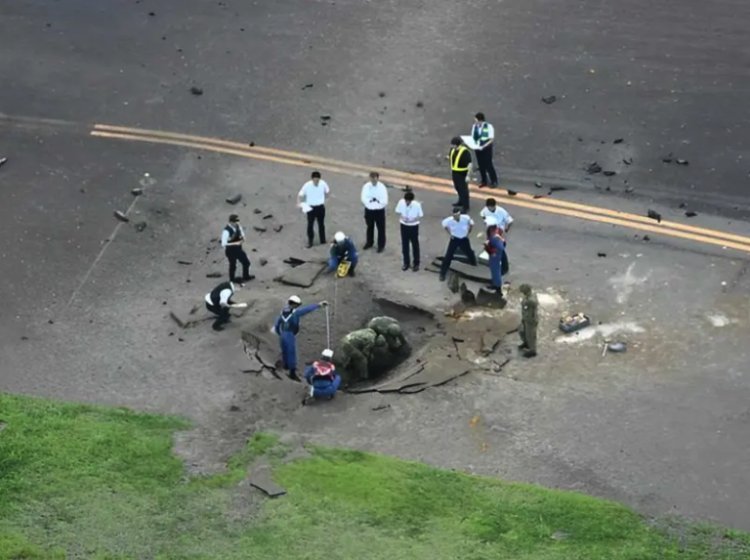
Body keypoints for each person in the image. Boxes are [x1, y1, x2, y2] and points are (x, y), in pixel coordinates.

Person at [274, 296, 328, 381]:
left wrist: (279, 333)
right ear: (294, 304)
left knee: (284, 351)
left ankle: (285, 367)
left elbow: (277, 325)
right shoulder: (295, 313)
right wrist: (318, 305)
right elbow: (306, 310)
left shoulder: (282, 313)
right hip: (290, 335)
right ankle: (292, 373)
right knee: (291, 353)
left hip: (283, 334)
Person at [439, 207, 477, 281]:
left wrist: (468, 232)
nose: (457, 217)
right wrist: (450, 234)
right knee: (449, 255)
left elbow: (471, 224)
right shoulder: (448, 220)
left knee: (468, 251)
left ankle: (473, 263)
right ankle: (442, 273)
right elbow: (445, 226)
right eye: (455, 216)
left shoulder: (466, 218)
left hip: (464, 238)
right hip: (455, 239)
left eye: (458, 215)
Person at [297, 170, 330, 248]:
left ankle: (323, 240)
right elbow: (300, 194)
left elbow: (328, 192)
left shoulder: (323, 183)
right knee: (310, 225)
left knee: (321, 224)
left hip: (320, 207)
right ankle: (310, 241)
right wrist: (299, 203)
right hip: (311, 207)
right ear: (312, 179)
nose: (316, 182)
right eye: (315, 180)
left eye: (318, 180)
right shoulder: (307, 185)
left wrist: (326, 201)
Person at [394, 189, 423, 272]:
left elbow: (420, 215)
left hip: (413, 226)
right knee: (405, 244)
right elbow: (397, 211)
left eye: (408, 201)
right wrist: (403, 217)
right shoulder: (401, 202)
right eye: (406, 201)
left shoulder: (417, 205)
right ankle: (406, 262)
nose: (407, 203)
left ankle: (416, 263)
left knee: (415, 245)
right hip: (404, 225)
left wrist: (412, 219)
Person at [221, 214, 254, 283]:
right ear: (231, 222)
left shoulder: (238, 227)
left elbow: (242, 235)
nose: (237, 222)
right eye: (235, 221)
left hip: (238, 249)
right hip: (230, 250)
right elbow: (223, 243)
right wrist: (235, 243)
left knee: (246, 262)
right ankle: (232, 280)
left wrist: (242, 239)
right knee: (233, 264)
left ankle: (246, 276)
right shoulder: (226, 231)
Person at [361, 171, 388, 252]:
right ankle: (369, 242)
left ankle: (381, 245)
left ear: (377, 178)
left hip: (379, 210)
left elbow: (384, 200)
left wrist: (376, 201)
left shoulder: (382, 187)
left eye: (374, 178)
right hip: (369, 210)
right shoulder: (366, 186)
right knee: (369, 227)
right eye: (372, 178)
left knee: (381, 229)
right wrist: (371, 201)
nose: (373, 180)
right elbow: (363, 198)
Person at [471, 112, 498, 188]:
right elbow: (473, 136)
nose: (474, 121)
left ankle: (494, 181)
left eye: (475, 119)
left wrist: (484, 146)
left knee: (488, 165)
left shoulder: (489, 127)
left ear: (479, 120)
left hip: (486, 148)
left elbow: (491, 139)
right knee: (481, 165)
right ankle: (484, 181)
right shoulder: (474, 126)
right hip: (478, 147)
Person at [449, 136, 472, 212]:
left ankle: (466, 206)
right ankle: (460, 201)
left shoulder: (465, 152)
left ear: (457, 145)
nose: (451, 146)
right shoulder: (452, 150)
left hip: (462, 173)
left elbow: (469, 164)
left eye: (452, 144)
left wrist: (468, 176)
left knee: (463, 190)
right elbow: (450, 156)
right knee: (457, 188)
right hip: (455, 172)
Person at [484, 217, 506, 293]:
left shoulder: (495, 237)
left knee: (495, 270)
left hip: (495, 256)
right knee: (494, 269)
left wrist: (493, 252)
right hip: (494, 255)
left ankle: (497, 286)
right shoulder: (495, 233)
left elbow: (501, 247)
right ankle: (495, 283)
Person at [518, 284, 538, 358]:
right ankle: (526, 343)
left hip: (531, 320)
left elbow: (534, 303)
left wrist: (527, 301)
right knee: (521, 331)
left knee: (531, 335)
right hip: (525, 317)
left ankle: (532, 350)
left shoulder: (531, 299)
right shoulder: (526, 297)